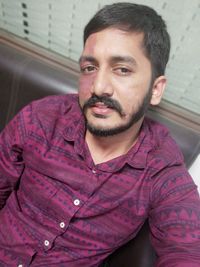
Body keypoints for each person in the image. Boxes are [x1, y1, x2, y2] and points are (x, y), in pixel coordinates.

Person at [0, 2, 199, 266]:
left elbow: (186, 251)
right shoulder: (40, 119)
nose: (99, 86)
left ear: (155, 89)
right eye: (90, 68)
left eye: (122, 69)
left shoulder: (161, 170)